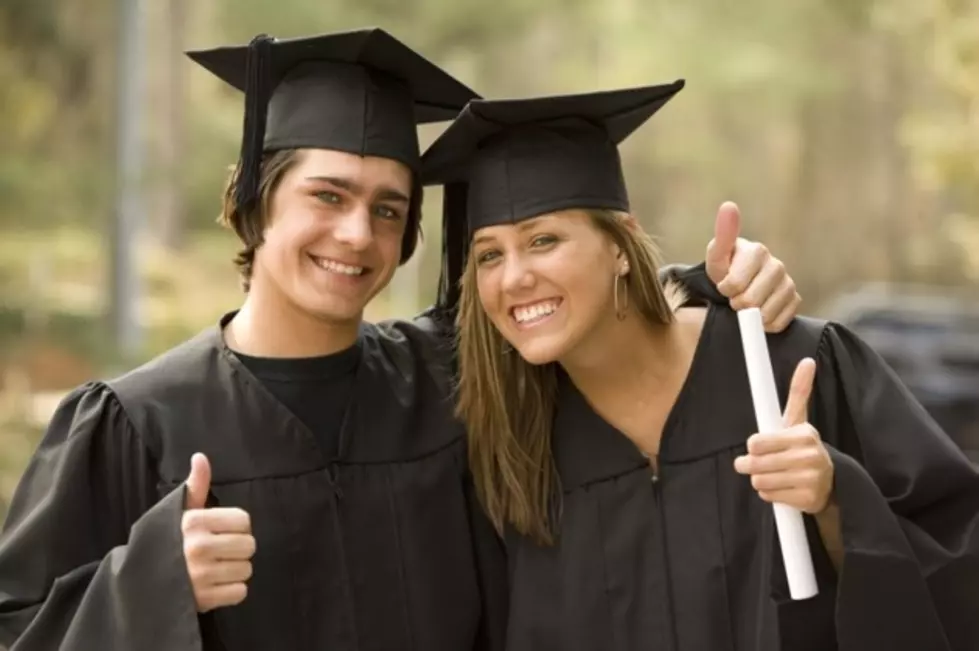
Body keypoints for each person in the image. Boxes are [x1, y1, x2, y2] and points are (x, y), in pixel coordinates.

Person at [0, 32, 801, 651]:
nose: (357, 233)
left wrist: (707, 282)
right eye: (327, 195)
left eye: (388, 209)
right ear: (253, 201)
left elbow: (568, 308)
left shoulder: (445, 380)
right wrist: (147, 582)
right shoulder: (135, 425)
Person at [425, 80, 979, 650]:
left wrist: (837, 498)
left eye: (543, 240)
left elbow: (955, 568)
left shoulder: (789, 367)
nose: (513, 277)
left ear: (621, 245)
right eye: (489, 254)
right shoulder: (509, 440)